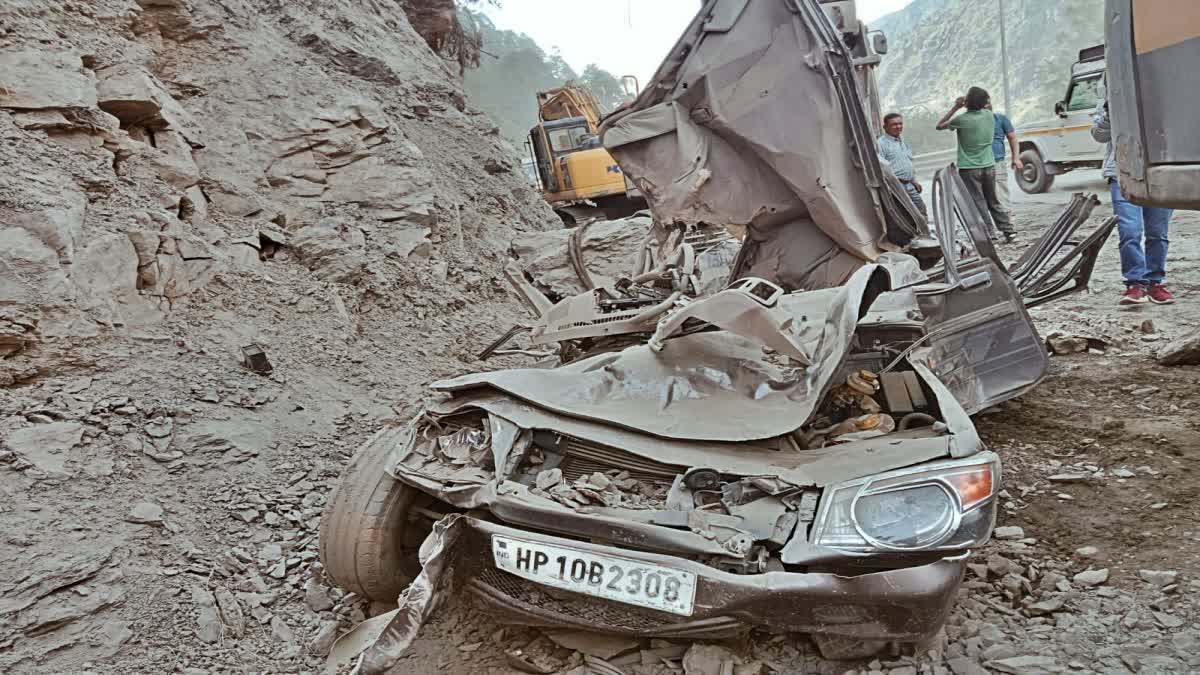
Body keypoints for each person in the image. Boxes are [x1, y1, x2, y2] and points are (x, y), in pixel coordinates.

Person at [1090, 98, 1174, 305]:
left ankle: (1155, 282)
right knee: (1130, 231)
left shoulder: (1168, 94)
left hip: (1162, 171)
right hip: (1123, 173)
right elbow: (1099, 135)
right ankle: (1135, 283)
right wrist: (1110, 113)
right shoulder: (1112, 99)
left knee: (1158, 232)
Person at [936, 86, 1015, 242]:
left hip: (969, 168)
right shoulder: (989, 116)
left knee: (978, 201)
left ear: (968, 102)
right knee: (993, 200)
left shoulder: (961, 120)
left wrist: (956, 107)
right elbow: (983, 107)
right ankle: (1008, 230)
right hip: (989, 165)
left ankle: (990, 233)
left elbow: (939, 126)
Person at [876, 112, 927, 219]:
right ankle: (914, 234)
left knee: (921, 209)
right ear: (885, 127)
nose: (898, 126)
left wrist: (914, 181)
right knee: (905, 215)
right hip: (896, 186)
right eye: (894, 124)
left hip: (909, 184)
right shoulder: (881, 144)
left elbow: (908, 161)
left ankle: (924, 234)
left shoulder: (902, 141)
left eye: (900, 123)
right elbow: (880, 168)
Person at [989, 103, 1022, 213]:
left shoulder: (1000, 119)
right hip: (979, 164)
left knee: (1002, 195)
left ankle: (1008, 223)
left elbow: (1012, 138)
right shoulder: (972, 120)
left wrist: (1015, 158)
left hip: (998, 162)